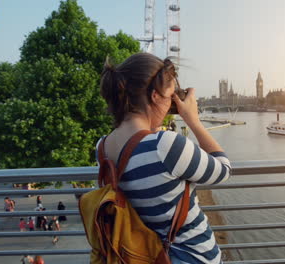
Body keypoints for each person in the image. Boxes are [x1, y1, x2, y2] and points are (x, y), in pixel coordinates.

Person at [98, 53, 231, 263]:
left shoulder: (103, 147)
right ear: (155, 96)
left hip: (145, 255)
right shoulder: (165, 145)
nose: (172, 103)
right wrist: (194, 121)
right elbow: (223, 171)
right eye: (170, 96)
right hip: (194, 257)